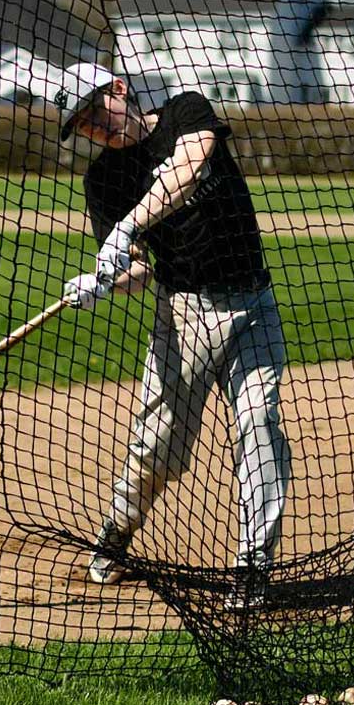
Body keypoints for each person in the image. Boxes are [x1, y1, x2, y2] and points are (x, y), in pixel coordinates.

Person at [47, 62, 291, 607]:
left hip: (253, 301)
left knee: (259, 422)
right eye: (81, 125)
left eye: (94, 110)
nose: (93, 127)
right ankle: (118, 529)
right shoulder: (103, 181)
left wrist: (131, 227)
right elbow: (139, 269)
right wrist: (105, 281)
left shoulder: (185, 111)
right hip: (185, 316)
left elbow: (191, 163)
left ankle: (253, 564)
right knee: (161, 449)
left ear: (118, 88)